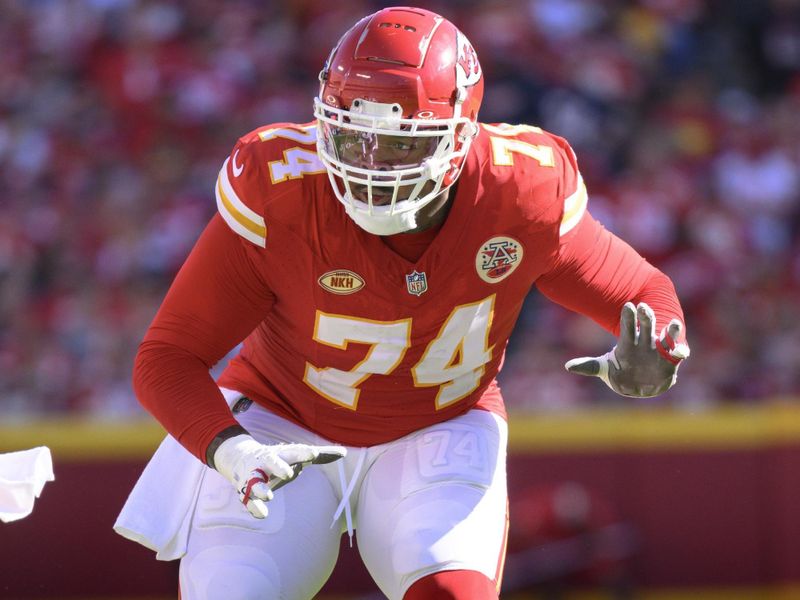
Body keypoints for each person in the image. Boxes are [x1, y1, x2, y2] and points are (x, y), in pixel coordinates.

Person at [116, 6, 690, 599]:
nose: (367, 163)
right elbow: (167, 355)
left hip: (439, 425)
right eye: (349, 135)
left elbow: (647, 295)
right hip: (277, 420)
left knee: (450, 593)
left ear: (460, 135)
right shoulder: (281, 189)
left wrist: (658, 351)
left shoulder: (521, 190)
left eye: (396, 145)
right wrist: (230, 448)